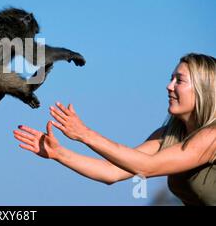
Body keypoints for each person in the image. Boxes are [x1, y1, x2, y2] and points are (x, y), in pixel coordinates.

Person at [13, 53, 216, 205]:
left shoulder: (212, 136)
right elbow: (111, 172)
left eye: (179, 80)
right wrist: (59, 153)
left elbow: (146, 167)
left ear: (203, 89)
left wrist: (85, 134)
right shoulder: (168, 135)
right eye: (171, 78)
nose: (169, 86)